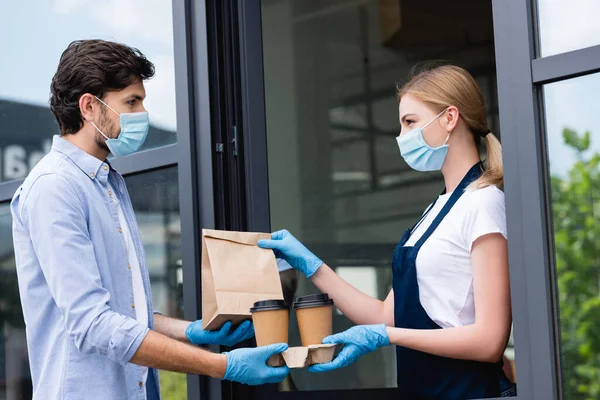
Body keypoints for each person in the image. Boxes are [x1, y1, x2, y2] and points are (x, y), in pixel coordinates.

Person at [10, 39, 289, 400]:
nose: (142, 113)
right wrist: (224, 366)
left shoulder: (107, 183)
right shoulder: (55, 188)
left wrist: (190, 331)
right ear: (90, 107)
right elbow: (93, 324)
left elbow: (122, 312)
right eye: (131, 102)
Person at [259, 65, 517, 399]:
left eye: (409, 121)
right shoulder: (434, 211)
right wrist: (312, 265)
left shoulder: (484, 203)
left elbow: (489, 341)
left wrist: (388, 336)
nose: (401, 135)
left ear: (450, 118)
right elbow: (386, 315)